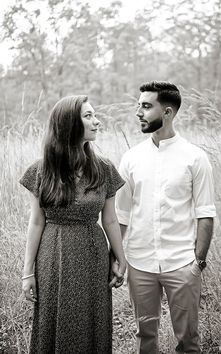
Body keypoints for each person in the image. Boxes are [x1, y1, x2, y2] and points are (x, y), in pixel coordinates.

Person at [20, 95, 126, 354]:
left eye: (95, 115)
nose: (97, 121)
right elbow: (36, 222)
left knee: (92, 321)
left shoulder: (103, 168)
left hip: (92, 254)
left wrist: (121, 259)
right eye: (88, 116)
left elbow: (110, 219)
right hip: (53, 255)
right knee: (52, 320)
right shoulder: (42, 170)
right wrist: (27, 272)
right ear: (69, 123)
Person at [115, 81, 216, 354]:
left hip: (181, 264)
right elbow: (121, 215)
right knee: (144, 337)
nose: (139, 112)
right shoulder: (131, 158)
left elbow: (205, 213)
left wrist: (198, 262)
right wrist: (116, 258)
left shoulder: (195, 158)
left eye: (146, 106)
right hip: (140, 263)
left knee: (188, 341)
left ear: (168, 112)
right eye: (139, 105)